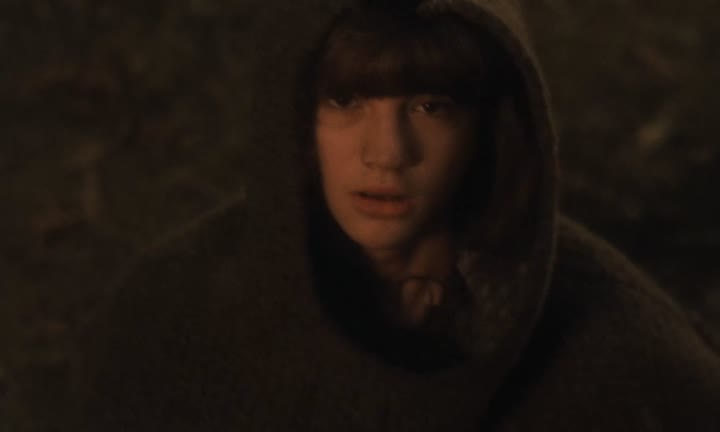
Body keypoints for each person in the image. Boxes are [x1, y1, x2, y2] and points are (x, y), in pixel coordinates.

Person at [73, 1, 720, 430]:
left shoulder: (625, 364)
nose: (386, 153)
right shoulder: (168, 317)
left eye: (431, 106)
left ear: (488, 127)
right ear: (293, 118)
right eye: (346, 101)